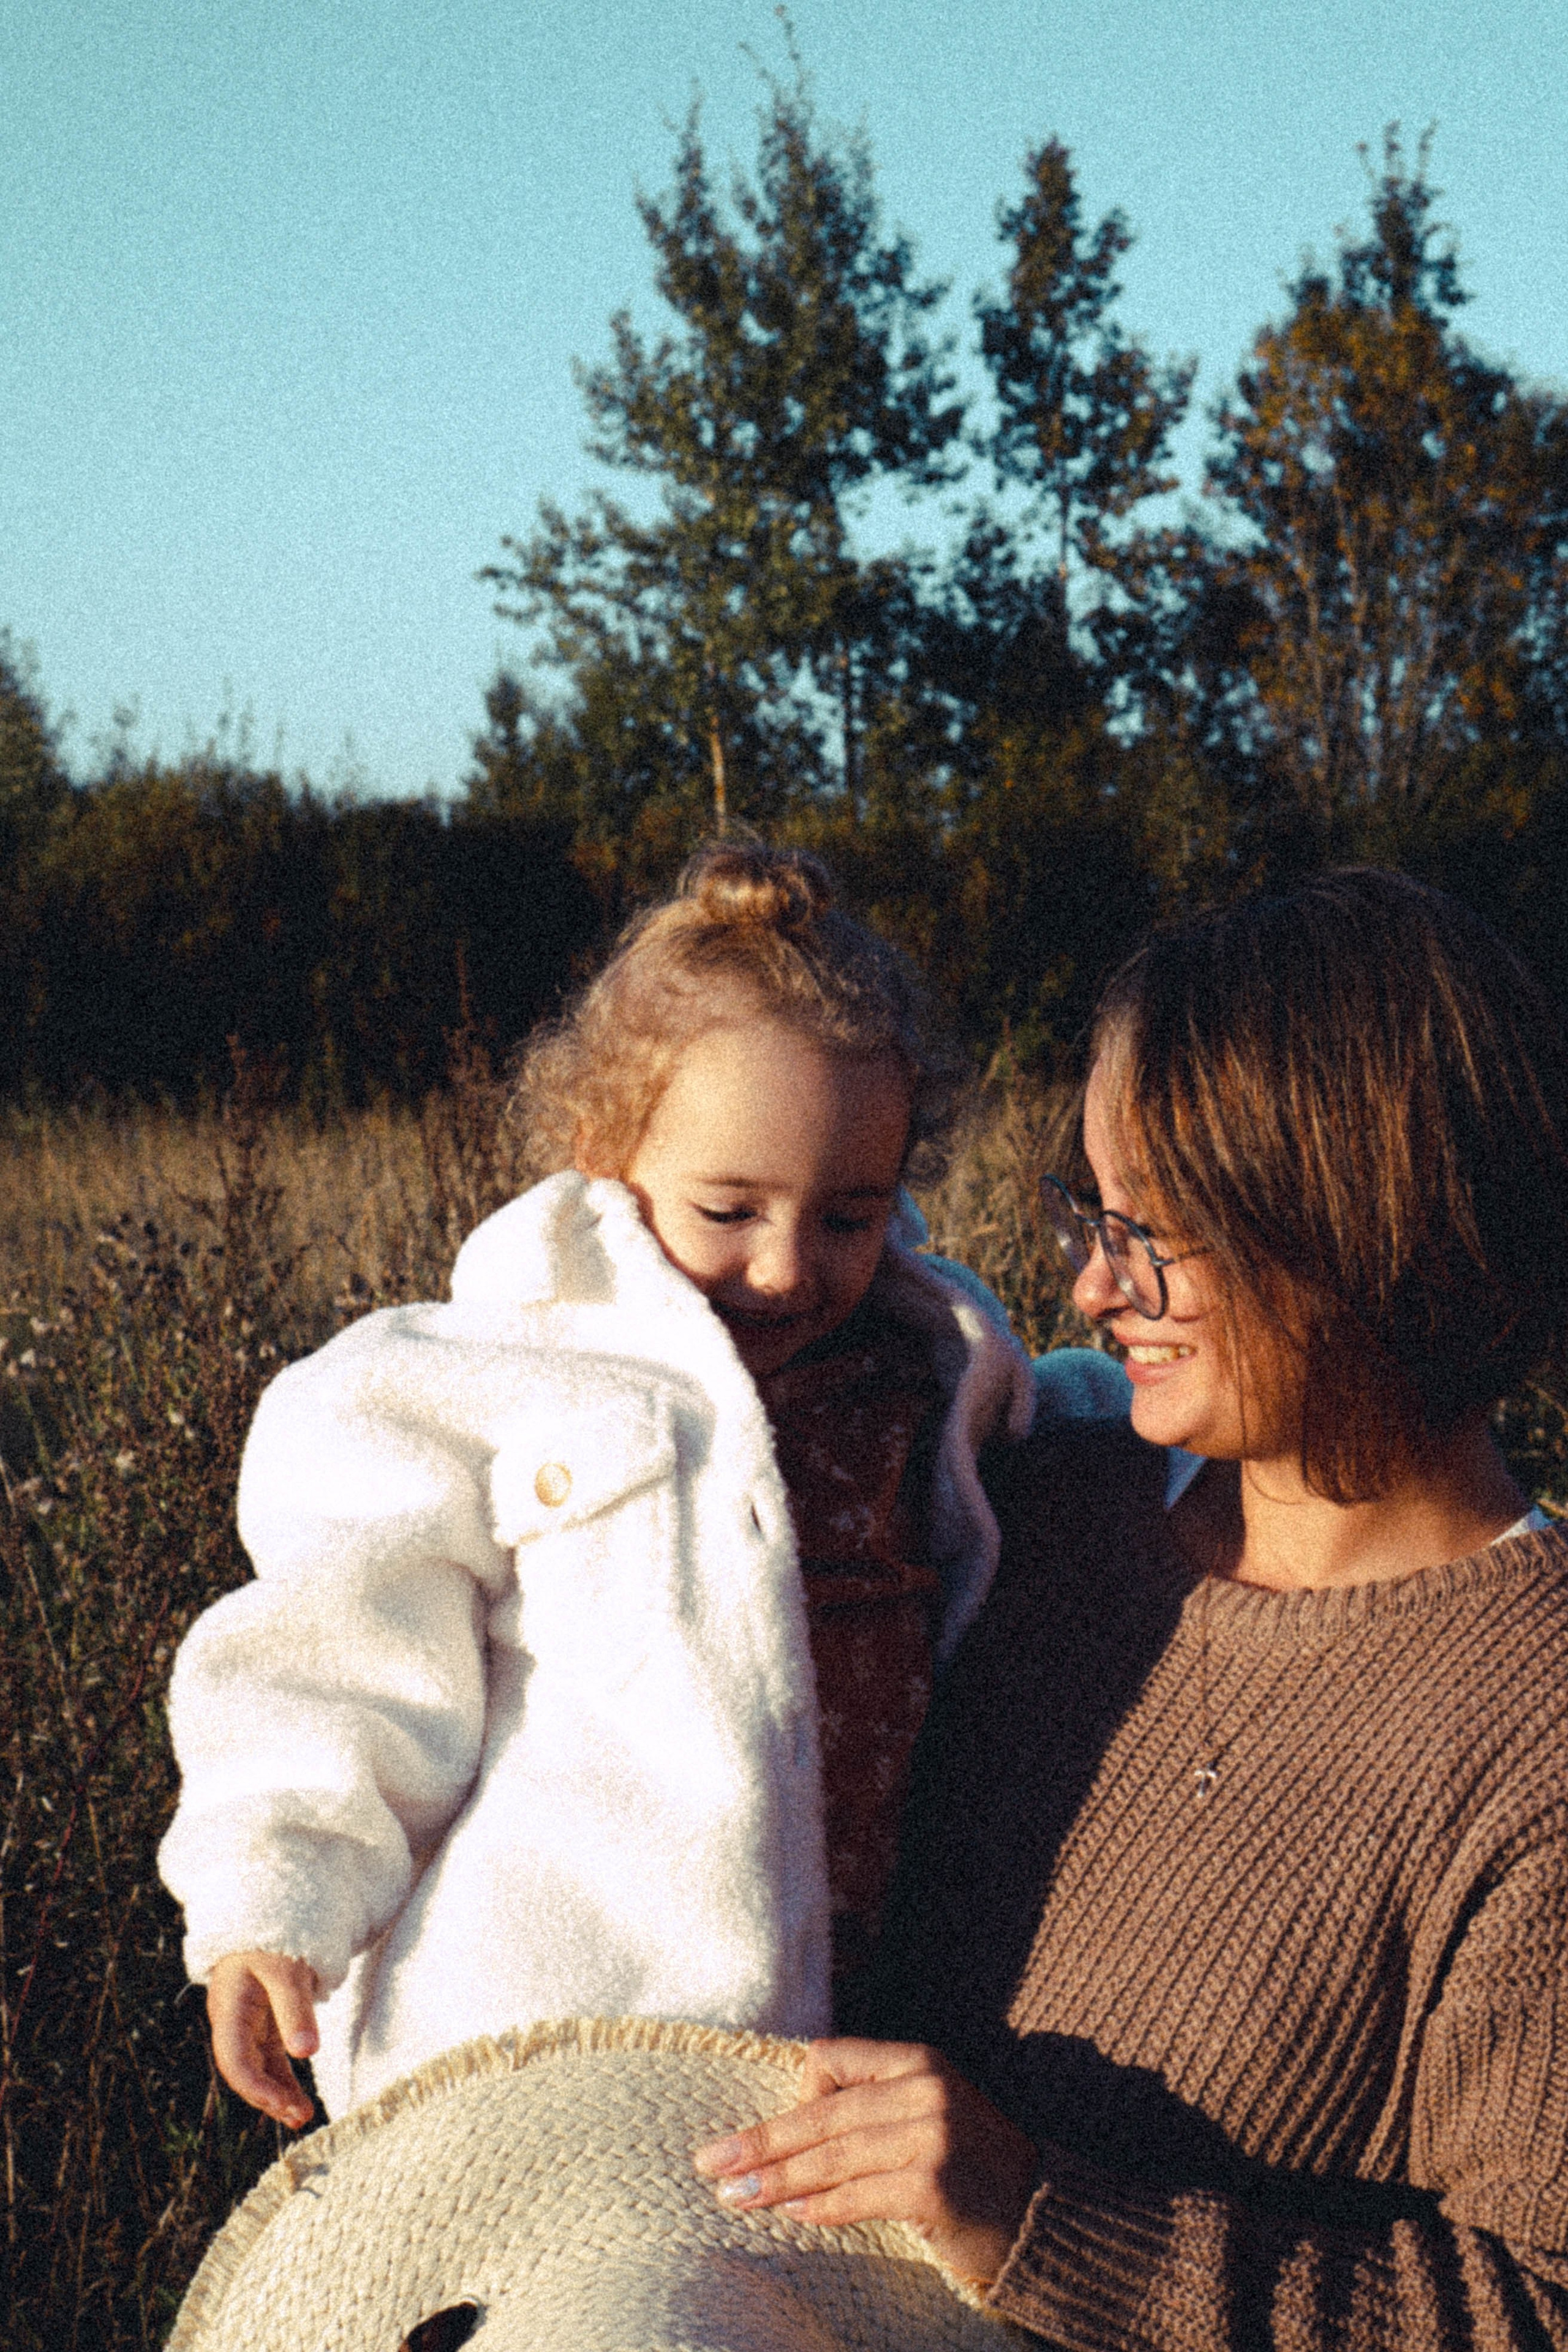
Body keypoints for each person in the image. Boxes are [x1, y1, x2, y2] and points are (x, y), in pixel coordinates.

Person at [692, 869, 1568, 2346]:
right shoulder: (1023, 1509)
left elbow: (1534, 2309)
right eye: (1087, 1214)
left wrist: (1037, 2218)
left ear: (1355, 1224)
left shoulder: (1532, 1733)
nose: (1095, 1286)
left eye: (1152, 1231)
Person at [157, 843, 1122, 2131]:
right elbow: (337, 1659)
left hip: (865, 2018)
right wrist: (274, 1899)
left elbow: (1089, 1448)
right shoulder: (491, 1377)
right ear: (607, 1151)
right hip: (547, 2029)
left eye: (848, 1215)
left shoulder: (928, 1365)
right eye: (728, 1210)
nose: (784, 1270)